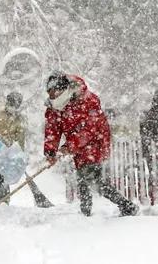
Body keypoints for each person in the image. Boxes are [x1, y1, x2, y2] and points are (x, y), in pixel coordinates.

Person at [43, 71, 138, 217]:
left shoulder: (87, 100)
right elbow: (52, 129)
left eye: (54, 93)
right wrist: (50, 151)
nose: (52, 96)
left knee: (90, 177)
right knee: (89, 178)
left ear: (63, 89)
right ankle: (121, 206)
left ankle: (90, 211)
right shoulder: (54, 106)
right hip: (76, 144)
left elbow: (90, 128)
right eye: (50, 93)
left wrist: (69, 146)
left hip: (95, 142)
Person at [0, 92, 52, 206]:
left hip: (8, 152)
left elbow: (20, 140)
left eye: (16, 104)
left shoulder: (19, 119)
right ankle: (0, 200)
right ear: (8, 101)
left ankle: (4, 202)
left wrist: (18, 155)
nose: (13, 106)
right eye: (12, 103)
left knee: (4, 176)